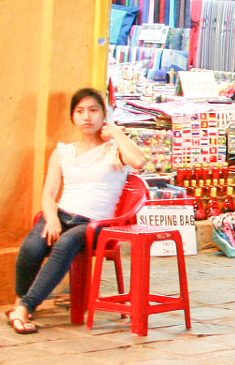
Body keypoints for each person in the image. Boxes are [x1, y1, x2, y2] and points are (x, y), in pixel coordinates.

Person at [8, 88, 148, 334]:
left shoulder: (114, 151)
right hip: (61, 214)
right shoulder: (63, 152)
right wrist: (51, 219)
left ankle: (24, 308)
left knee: (66, 242)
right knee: (32, 247)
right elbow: (48, 194)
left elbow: (139, 162)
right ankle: (20, 301)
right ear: (72, 116)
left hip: (95, 224)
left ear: (104, 114)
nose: (87, 117)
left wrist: (115, 132)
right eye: (80, 111)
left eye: (94, 111)